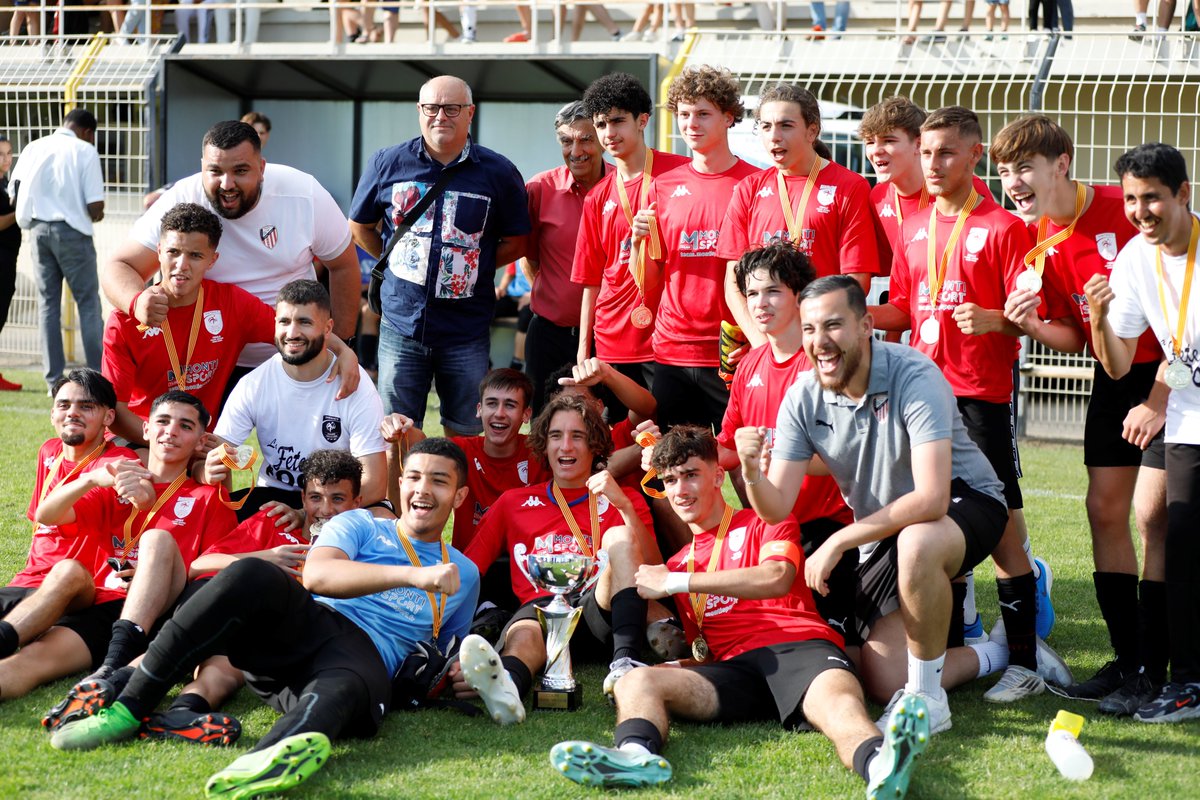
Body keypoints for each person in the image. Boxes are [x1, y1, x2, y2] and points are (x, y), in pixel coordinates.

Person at [48, 437, 480, 800]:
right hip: (306, 623)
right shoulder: (360, 523)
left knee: (345, 686)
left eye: (439, 482)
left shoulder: (465, 573)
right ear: (401, 483)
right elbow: (319, 575)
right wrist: (414, 575)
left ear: (459, 496)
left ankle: (268, 757)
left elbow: (449, 650)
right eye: (415, 478)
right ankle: (128, 708)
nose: (424, 490)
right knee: (251, 572)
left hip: (365, 657)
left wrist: (463, 672)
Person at [736, 276, 1071, 734]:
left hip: (965, 502)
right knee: (881, 677)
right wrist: (752, 471)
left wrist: (839, 540)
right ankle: (1001, 650)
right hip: (891, 529)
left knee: (918, 543)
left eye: (833, 325)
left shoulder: (913, 373)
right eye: (810, 329)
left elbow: (932, 497)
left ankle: (929, 700)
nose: (820, 342)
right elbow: (776, 507)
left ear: (865, 325)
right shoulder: (802, 396)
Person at [549, 426, 930, 799]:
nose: (680, 490)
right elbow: (698, 641)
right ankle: (635, 756)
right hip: (733, 672)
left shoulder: (766, 520)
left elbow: (777, 577)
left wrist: (680, 583)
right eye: (669, 481)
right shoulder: (681, 561)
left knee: (838, 707)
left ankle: (879, 764)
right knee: (637, 681)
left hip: (798, 649)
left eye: (690, 475)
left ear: (718, 476)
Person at [871, 106, 1057, 698]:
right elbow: (903, 309)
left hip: (978, 399)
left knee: (1000, 532)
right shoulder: (913, 224)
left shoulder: (1004, 228)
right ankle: (952, 653)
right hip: (920, 398)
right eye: (925, 152)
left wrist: (998, 320)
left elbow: (1037, 321)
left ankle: (1025, 662)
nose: (932, 163)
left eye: (945, 152)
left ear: (975, 155)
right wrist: (843, 317)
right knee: (931, 520)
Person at [993, 116, 1170, 715]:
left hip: (1174, 374)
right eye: (1005, 170)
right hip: (1115, 376)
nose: (1013, 180)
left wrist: (1164, 393)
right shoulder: (1035, 238)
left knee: (1156, 516)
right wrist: (1031, 325)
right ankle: (1129, 658)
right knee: (1103, 510)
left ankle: (1161, 661)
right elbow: (1074, 332)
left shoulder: (1128, 206)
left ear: (1061, 163)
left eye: (1024, 167)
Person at [451, 392, 662, 723]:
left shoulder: (624, 497)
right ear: (543, 446)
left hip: (600, 612)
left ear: (594, 445)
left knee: (620, 536)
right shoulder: (513, 502)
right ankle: (506, 683)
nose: (566, 446)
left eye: (577, 436)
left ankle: (625, 665)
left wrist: (621, 504)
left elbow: (652, 568)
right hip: (540, 613)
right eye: (555, 436)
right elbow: (469, 569)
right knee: (524, 634)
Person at [103, 120, 361, 385]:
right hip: (207, 360)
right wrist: (137, 303)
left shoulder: (303, 193)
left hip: (295, 353)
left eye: (240, 171)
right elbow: (120, 265)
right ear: (202, 167)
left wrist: (340, 345)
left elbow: (343, 265)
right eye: (215, 171)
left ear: (261, 168)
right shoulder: (181, 199)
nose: (227, 184)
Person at [35, 390, 238, 725]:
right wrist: (90, 479)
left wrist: (154, 572)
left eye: (185, 426)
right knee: (29, 662)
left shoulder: (207, 497)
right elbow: (48, 514)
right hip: (102, 607)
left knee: (157, 541)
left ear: (200, 440)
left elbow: (211, 576)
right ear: (145, 430)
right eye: (162, 421)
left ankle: (111, 669)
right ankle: (106, 672)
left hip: (159, 617)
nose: (171, 431)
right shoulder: (114, 485)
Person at [1085, 142, 1200, 723]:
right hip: (1180, 411)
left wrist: (1157, 402)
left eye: (1151, 197)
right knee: (1154, 521)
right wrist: (1098, 316)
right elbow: (1116, 364)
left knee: (1179, 536)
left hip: (1188, 413)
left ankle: (1189, 680)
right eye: (1130, 198)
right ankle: (1153, 673)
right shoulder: (1134, 256)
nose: (1139, 209)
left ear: (1183, 194)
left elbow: (1190, 349)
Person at [349, 75, 530, 438]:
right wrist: (396, 261)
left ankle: (461, 495)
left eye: (452, 108)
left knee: (465, 432)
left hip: (466, 329)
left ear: (470, 113)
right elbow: (359, 226)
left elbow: (517, 241)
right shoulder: (388, 163)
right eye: (431, 107)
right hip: (401, 323)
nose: (440, 116)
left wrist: (469, 267)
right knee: (395, 433)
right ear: (419, 111)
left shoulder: (499, 172)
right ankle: (397, 498)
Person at [101, 204, 360, 444]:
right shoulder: (126, 319)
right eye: (173, 252)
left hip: (199, 442)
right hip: (141, 438)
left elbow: (292, 333)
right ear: (158, 252)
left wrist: (342, 350)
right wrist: (164, 444)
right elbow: (117, 412)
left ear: (212, 260)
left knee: (217, 467)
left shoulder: (231, 303)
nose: (181, 265)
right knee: (148, 478)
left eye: (195, 255)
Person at [717, 243, 857, 642]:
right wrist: (675, 451)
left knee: (854, 660)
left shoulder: (825, 362)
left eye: (773, 291)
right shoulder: (750, 364)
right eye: (752, 293)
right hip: (773, 529)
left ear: (801, 296)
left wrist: (779, 457)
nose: (760, 303)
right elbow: (727, 448)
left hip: (831, 529)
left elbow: (849, 456)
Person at [630, 66, 759, 434]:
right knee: (676, 465)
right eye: (683, 114)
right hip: (673, 348)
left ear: (728, 117)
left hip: (731, 347)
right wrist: (639, 243)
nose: (691, 123)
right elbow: (651, 279)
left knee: (743, 461)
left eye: (703, 113)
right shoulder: (664, 186)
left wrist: (754, 338)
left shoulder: (753, 183)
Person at [204, 279, 387, 516]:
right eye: (284, 322)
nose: (292, 333)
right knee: (214, 514)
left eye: (304, 322)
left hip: (335, 501)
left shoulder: (354, 384)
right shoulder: (254, 383)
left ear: (328, 329)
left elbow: (374, 484)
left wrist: (306, 514)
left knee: (384, 518)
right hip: (273, 497)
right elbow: (219, 452)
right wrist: (208, 467)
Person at [718, 83, 879, 351]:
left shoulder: (850, 186)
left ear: (812, 131)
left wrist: (813, 338)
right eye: (766, 126)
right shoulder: (749, 188)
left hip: (824, 344)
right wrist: (762, 345)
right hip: (768, 346)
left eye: (786, 126)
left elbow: (855, 281)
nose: (774, 136)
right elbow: (733, 282)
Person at [0, 370, 137, 683]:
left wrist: (90, 479)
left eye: (86, 406)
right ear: (52, 414)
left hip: (90, 595)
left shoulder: (116, 463)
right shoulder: (48, 452)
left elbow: (48, 515)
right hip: (32, 585)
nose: (72, 412)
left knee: (68, 571)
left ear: (108, 417)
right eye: (63, 405)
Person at [380, 368, 549, 609]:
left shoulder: (541, 454)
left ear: (526, 414)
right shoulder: (462, 451)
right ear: (479, 409)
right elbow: (420, 445)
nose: (499, 413)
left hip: (525, 572)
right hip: (470, 570)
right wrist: (400, 426)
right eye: (492, 403)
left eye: (510, 405)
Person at [571, 72, 690, 398]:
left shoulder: (682, 174)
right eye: (600, 124)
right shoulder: (597, 197)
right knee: (615, 437)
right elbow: (591, 279)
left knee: (664, 433)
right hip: (612, 336)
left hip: (668, 335)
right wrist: (584, 349)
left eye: (618, 121)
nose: (609, 133)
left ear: (643, 120)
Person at [9, 108, 105, 392]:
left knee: (48, 304)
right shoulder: (84, 150)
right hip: (72, 232)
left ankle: (53, 381)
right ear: (88, 132)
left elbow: (14, 191)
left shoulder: (34, 147)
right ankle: (97, 376)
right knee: (87, 304)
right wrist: (97, 214)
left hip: (38, 230)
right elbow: (94, 206)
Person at [523, 102, 610, 413]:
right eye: (566, 141)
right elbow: (529, 257)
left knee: (613, 428)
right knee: (544, 428)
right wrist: (558, 300)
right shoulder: (538, 188)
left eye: (586, 139)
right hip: (549, 335)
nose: (577, 150)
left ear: (602, 138)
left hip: (610, 337)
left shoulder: (625, 186)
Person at [858, 96, 991, 276]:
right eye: (870, 142)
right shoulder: (877, 198)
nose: (876, 150)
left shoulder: (966, 189)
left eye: (888, 141)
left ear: (919, 144)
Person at [0, 134, 20, 391]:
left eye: (9, 153)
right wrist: (20, 211)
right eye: (0, 154)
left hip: (8, 256)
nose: (6, 159)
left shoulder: (5, 182)